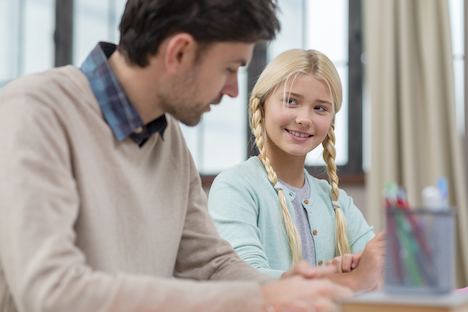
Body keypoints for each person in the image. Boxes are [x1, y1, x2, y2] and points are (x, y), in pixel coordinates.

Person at [0, 1, 354, 311]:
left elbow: (211, 265)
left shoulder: (168, 138)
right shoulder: (35, 112)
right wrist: (257, 300)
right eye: (230, 68)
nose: (233, 89)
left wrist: (282, 289)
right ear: (179, 53)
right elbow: (53, 293)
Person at [208, 49, 385, 293]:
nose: (304, 118)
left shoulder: (336, 201)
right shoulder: (235, 186)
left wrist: (362, 268)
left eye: (320, 108)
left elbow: (380, 274)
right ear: (261, 105)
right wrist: (347, 280)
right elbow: (244, 278)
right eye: (291, 101)